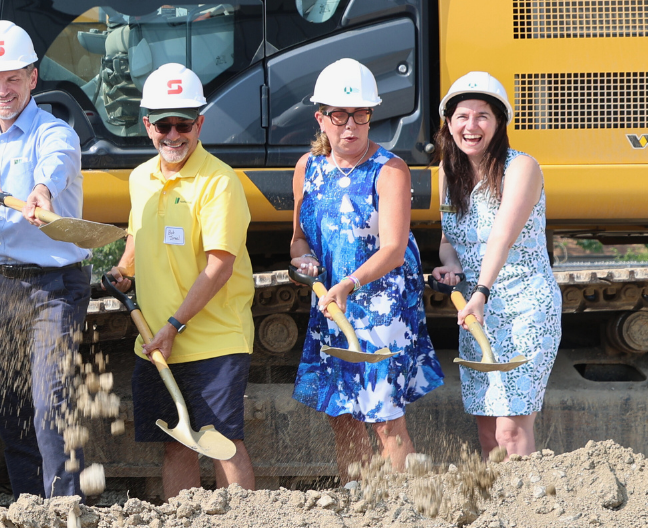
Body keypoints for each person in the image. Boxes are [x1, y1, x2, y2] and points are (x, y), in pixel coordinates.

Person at [0, 20, 89, 499]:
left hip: (56, 284)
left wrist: (41, 192)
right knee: (9, 403)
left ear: (32, 78)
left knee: (52, 400)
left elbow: (56, 165)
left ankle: (64, 507)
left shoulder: (55, 133)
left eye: (12, 78)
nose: (2, 89)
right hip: (5, 282)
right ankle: (29, 507)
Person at [108, 63, 257, 497]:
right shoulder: (141, 179)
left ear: (200, 124)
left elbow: (220, 266)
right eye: (163, 125)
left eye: (184, 124)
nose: (173, 135)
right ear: (147, 124)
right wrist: (124, 270)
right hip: (155, 341)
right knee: (176, 445)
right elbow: (139, 233)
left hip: (212, 339)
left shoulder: (219, 183)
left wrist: (174, 325)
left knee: (224, 445)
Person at [289, 59, 443, 479]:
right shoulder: (308, 167)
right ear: (322, 118)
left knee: (384, 418)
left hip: (382, 307)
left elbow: (394, 248)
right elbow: (299, 236)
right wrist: (302, 256)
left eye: (360, 115)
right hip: (332, 306)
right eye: (339, 116)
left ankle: (407, 511)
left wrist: (349, 283)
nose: (350, 126)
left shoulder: (389, 170)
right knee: (341, 413)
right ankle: (359, 505)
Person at [433, 71, 558, 458]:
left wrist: (481, 290)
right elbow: (448, 240)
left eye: (482, 116)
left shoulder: (521, 167)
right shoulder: (448, 171)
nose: (471, 126)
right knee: (488, 433)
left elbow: (501, 236)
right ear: (449, 123)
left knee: (511, 433)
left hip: (523, 308)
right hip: (477, 313)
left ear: (499, 122)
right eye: (462, 116)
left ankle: (529, 514)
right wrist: (450, 266)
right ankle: (501, 517)